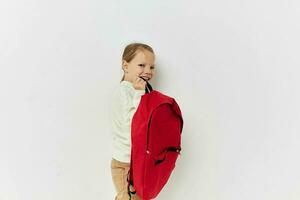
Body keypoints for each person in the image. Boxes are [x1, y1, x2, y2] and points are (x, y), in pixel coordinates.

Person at [110, 42, 156, 200]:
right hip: (124, 163)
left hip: (135, 160)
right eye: (142, 65)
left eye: (151, 67)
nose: (148, 71)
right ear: (125, 65)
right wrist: (138, 93)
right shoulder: (125, 91)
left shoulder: (136, 91)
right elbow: (134, 124)